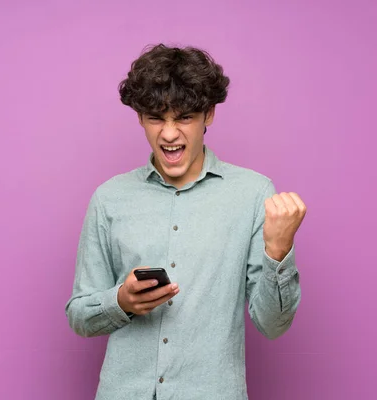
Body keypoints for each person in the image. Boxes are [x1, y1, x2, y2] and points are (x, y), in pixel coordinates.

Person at [65, 44, 306, 400]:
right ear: (139, 118)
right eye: (156, 118)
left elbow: (272, 326)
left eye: (184, 118)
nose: (169, 134)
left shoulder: (254, 194)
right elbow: (79, 315)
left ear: (209, 114)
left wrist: (278, 250)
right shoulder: (109, 198)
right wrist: (122, 302)